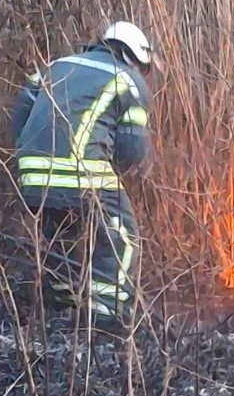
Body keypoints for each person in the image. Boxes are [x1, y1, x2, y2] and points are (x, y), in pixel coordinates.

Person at [10, 21, 153, 335]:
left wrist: (30, 155)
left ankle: (60, 298)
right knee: (122, 236)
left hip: (32, 173)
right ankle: (106, 312)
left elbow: (20, 113)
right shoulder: (127, 80)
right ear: (134, 57)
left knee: (62, 227)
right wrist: (131, 173)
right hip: (81, 170)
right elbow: (132, 150)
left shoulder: (54, 67)